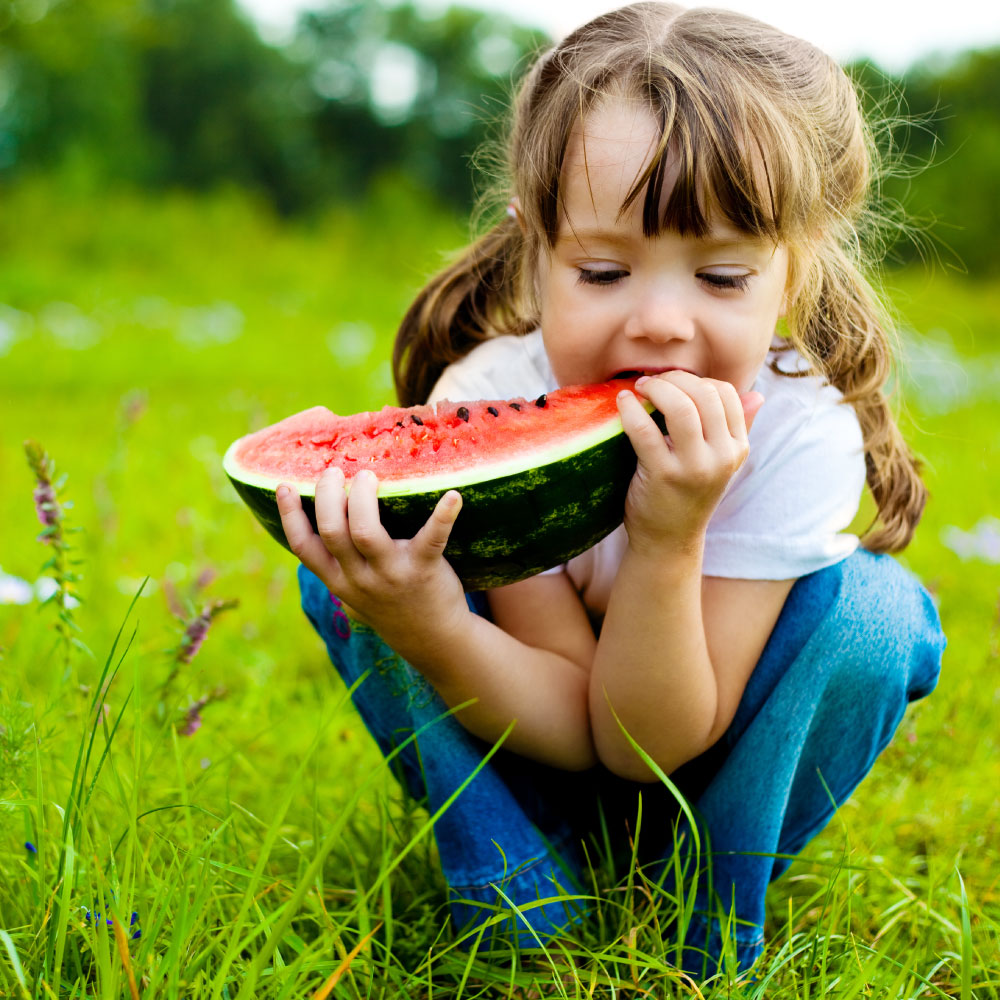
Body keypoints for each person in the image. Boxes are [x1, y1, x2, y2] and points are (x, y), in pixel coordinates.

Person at [275, 1, 945, 976]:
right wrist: (426, 621)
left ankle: (705, 919)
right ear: (533, 245)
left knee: (877, 613)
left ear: (793, 273)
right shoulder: (491, 396)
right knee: (353, 565)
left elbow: (643, 747)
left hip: (706, 762)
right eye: (601, 270)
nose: (662, 323)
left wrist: (669, 538)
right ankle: (518, 898)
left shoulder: (797, 429)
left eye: (719, 278)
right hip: (526, 733)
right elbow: (576, 723)